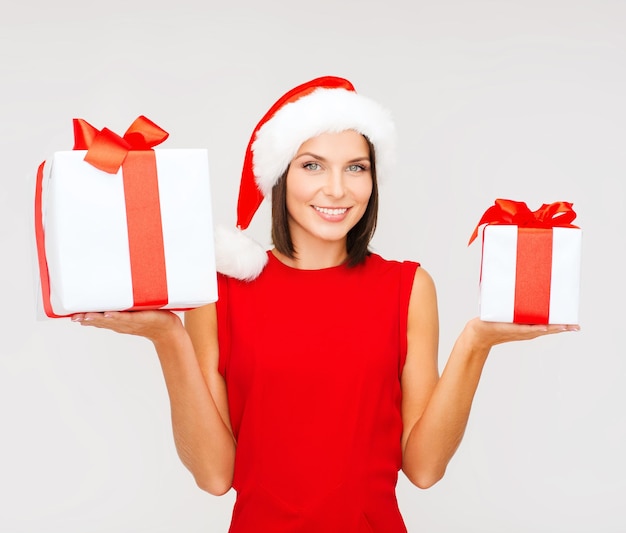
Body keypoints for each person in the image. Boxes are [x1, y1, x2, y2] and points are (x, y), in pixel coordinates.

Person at [71, 76, 579, 532]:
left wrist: (476, 343)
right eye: (312, 165)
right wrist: (168, 337)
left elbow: (423, 469)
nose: (337, 189)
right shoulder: (220, 292)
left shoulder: (407, 287)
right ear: (281, 177)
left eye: (356, 168)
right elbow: (213, 474)